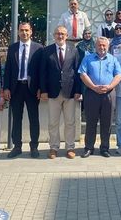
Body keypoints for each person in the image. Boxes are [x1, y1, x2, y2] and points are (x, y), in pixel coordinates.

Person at [39, 26, 82, 159]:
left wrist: (78, 91)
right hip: (52, 92)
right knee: (53, 122)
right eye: (58, 34)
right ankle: (53, 147)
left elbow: (77, 72)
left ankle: (70, 147)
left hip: (70, 92)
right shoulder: (47, 51)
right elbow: (43, 73)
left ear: (67, 35)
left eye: (62, 34)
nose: (60, 36)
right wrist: (44, 90)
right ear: (54, 35)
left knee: (70, 122)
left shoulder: (74, 50)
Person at [3, 22, 44, 158]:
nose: (24, 33)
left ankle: (34, 147)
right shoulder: (12, 48)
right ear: (18, 32)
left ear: (31, 31)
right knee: (17, 119)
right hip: (16, 88)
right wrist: (6, 88)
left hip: (32, 89)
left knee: (34, 118)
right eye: (22, 30)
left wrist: (41, 88)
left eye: (27, 30)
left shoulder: (38, 48)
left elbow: (41, 70)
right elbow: (8, 69)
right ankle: (17, 146)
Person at [79, 37, 121, 158]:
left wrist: (109, 87)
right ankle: (88, 148)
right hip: (92, 93)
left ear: (107, 47)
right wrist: (93, 87)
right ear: (95, 46)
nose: (102, 47)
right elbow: (82, 74)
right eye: (99, 45)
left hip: (108, 94)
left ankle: (104, 148)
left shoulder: (113, 59)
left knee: (107, 122)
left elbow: (118, 75)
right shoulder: (88, 58)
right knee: (91, 121)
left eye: (104, 45)